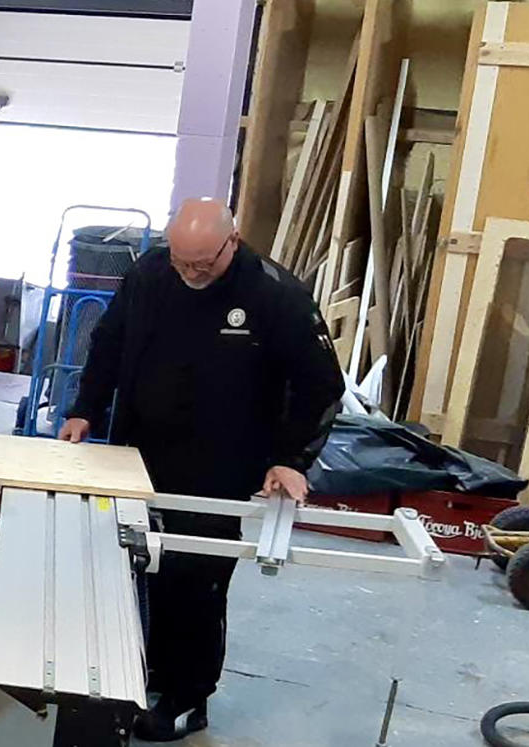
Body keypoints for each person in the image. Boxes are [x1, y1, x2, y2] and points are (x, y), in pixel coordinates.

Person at [58, 198, 343, 741]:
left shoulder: (274, 294)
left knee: (197, 579)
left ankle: (189, 698)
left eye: (203, 264)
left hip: (221, 462)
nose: (191, 273)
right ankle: (145, 673)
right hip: (141, 451)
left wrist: (291, 457)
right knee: (141, 567)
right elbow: (109, 342)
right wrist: (84, 409)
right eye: (181, 262)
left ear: (232, 242)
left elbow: (320, 384)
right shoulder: (151, 274)